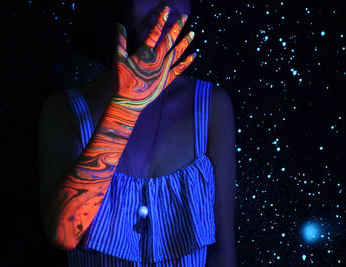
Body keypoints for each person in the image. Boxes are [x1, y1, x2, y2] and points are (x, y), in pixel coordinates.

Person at [38, 0, 236, 266]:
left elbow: (222, 250)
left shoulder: (211, 105)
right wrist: (125, 108)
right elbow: (64, 234)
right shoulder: (65, 110)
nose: (166, 6)